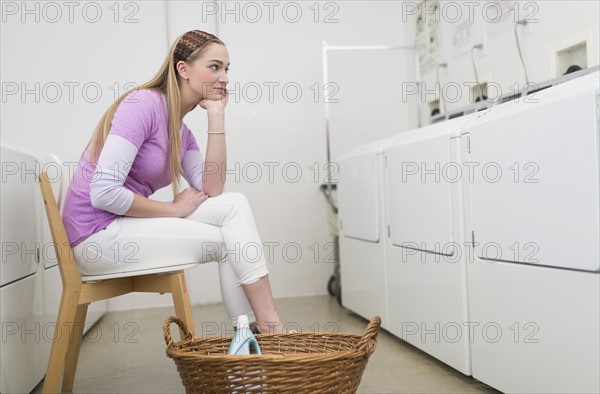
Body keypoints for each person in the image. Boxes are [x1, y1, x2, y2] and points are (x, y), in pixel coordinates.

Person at [62, 30, 283, 334]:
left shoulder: (179, 130)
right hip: (96, 238)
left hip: (121, 226)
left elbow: (213, 191)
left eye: (227, 69)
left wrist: (217, 116)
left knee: (234, 207)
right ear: (183, 69)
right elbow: (103, 193)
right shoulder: (143, 104)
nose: (225, 78)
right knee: (231, 239)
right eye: (214, 67)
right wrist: (173, 209)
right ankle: (264, 333)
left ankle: (259, 334)